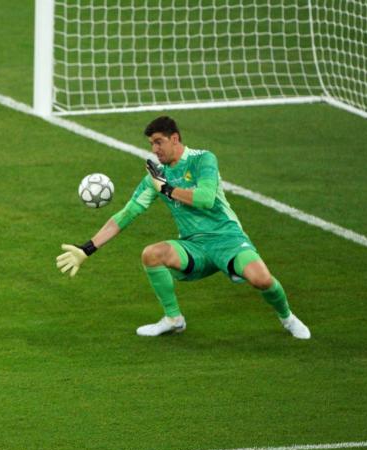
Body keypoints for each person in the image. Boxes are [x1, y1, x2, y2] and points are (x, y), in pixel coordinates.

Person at [56, 115, 310, 340]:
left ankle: (287, 317)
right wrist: (87, 249)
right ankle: (173, 319)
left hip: (228, 239)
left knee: (262, 280)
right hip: (194, 246)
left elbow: (205, 198)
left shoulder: (203, 160)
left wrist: (166, 188)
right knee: (151, 254)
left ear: (174, 138)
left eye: (158, 142)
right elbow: (126, 214)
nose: (154, 149)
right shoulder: (154, 178)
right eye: (151, 144)